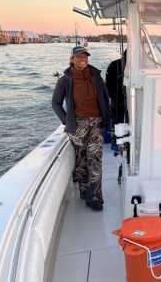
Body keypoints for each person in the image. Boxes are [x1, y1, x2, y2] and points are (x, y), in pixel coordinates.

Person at [52, 46, 110, 211]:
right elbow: (55, 103)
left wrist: (108, 119)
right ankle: (85, 191)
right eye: (79, 56)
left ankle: (96, 197)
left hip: (96, 123)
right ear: (72, 59)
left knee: (96, 159)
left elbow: (105, 98)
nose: (83, 59)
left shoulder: (96, 76)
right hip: (77, 125)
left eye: (85, 56)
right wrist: (67, 121)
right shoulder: (65, 80)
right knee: (82, 161)